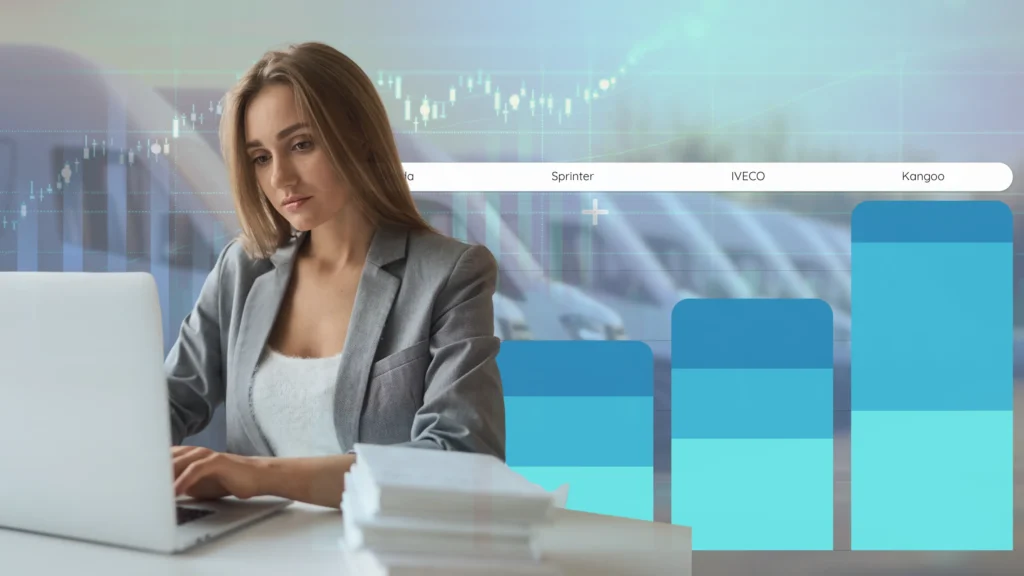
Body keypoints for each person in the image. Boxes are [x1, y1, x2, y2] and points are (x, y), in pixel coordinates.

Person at [165, 42, 505, 509]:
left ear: (360, 138)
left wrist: (260, 475)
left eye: (301, 145)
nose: (281, 177)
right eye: (261, 157)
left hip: (380, 552)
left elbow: (463, 457)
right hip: (248, 550)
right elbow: (167, 403)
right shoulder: (242, 268)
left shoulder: (450, 274)